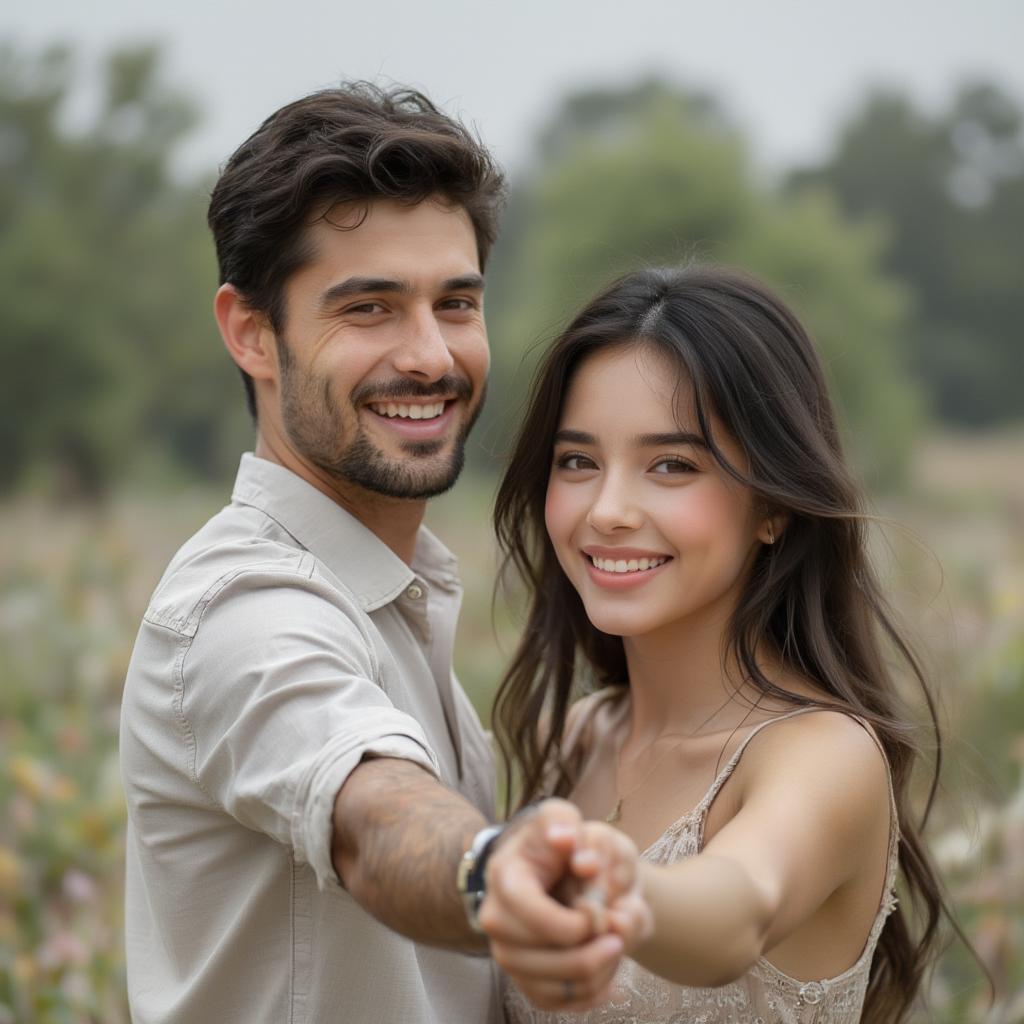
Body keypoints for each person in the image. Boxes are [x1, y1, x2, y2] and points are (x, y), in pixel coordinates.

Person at [118, 83, 647, 1024]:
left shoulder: (396, 594)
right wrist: (493, 871)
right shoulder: (240, 610)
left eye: (455, 303)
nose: (431, 357)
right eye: (368, 308)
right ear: (251, 333)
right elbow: (371, 814)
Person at [482, 265, 948, 1023]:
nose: (607, 510)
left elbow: (740, 907)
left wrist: (613, 885)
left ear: (772, 507)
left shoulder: (822, 754)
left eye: (671, 465)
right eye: (578, 461)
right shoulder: (573, 739)